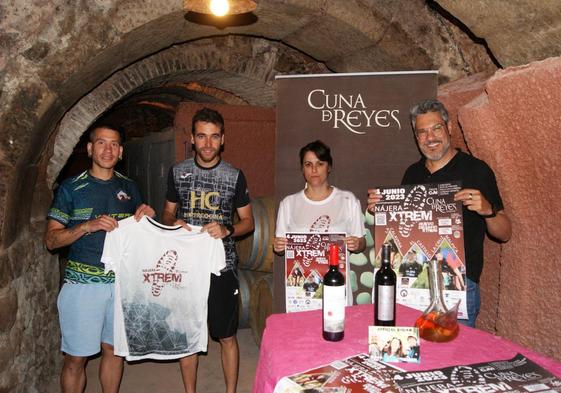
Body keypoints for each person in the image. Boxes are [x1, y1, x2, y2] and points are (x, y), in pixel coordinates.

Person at [367, 98, 511, 327]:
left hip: (458, 286)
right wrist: (383, 211)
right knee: (416, 358)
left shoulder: (476, 170)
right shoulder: (411, 174)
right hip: (413, 285)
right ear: (416, 138)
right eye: (422, 132)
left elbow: (504, 233)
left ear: (449, 128)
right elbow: (404, 232)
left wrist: (488, 211)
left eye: (436, 128)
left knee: (455, 359)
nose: (430, 137)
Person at [44, 124, 154, 393]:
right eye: (102, 143)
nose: (108, 149)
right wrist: (85, 226)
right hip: (83, 285)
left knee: (113, 350)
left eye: (114, 144)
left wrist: (147, 219)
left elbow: (139, 236)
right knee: (76, 358)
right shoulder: (72, 188)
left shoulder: (129, 186)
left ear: (121, 151)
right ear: (90, 148)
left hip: (120, 284)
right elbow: (50, 240)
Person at [162, 107, 254, 393]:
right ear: (192, 138)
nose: (208, 144)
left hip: (222, 265)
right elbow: (165, 213)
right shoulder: (178, 172)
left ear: (223, 139)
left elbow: (248, 221)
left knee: (226, 335)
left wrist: (228, 229)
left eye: (214, 137)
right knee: (188, 333)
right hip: (186, 267)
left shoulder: (234, 176)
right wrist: (173, 222)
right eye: (202, 136)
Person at [273, 140, 366, 304]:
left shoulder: (348, 200)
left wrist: (356, 243)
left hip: (338, 288)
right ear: (302, 169)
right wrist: (279, 247)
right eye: (308, 164)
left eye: (319, 164)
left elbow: (362, 243)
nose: (314, 170)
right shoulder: (288, 203)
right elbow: (281, 248)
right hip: (302, 293)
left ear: (328, 167)